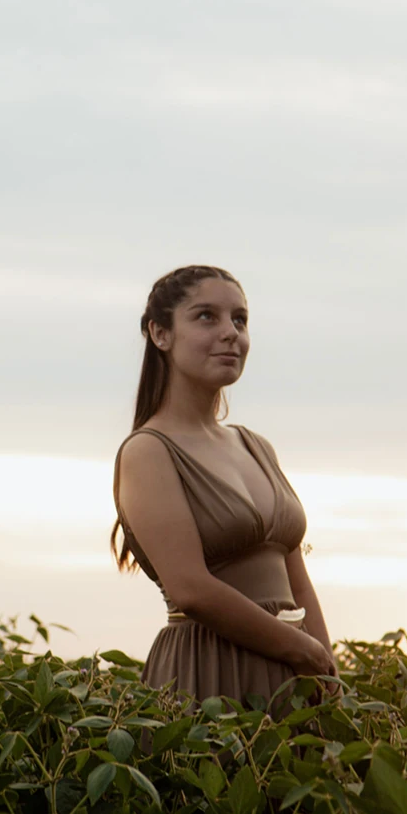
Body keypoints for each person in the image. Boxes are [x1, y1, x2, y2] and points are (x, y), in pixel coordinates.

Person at [111, 264, 340, 713]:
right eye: (206, 317)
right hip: (208, 671)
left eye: (240, 319)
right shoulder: (148, 451)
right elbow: (191, 590)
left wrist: (328, 675)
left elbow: (299, 584)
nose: (230, 333)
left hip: (292, 675)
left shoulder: (257, 447)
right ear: (160, 334)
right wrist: (302, 650)